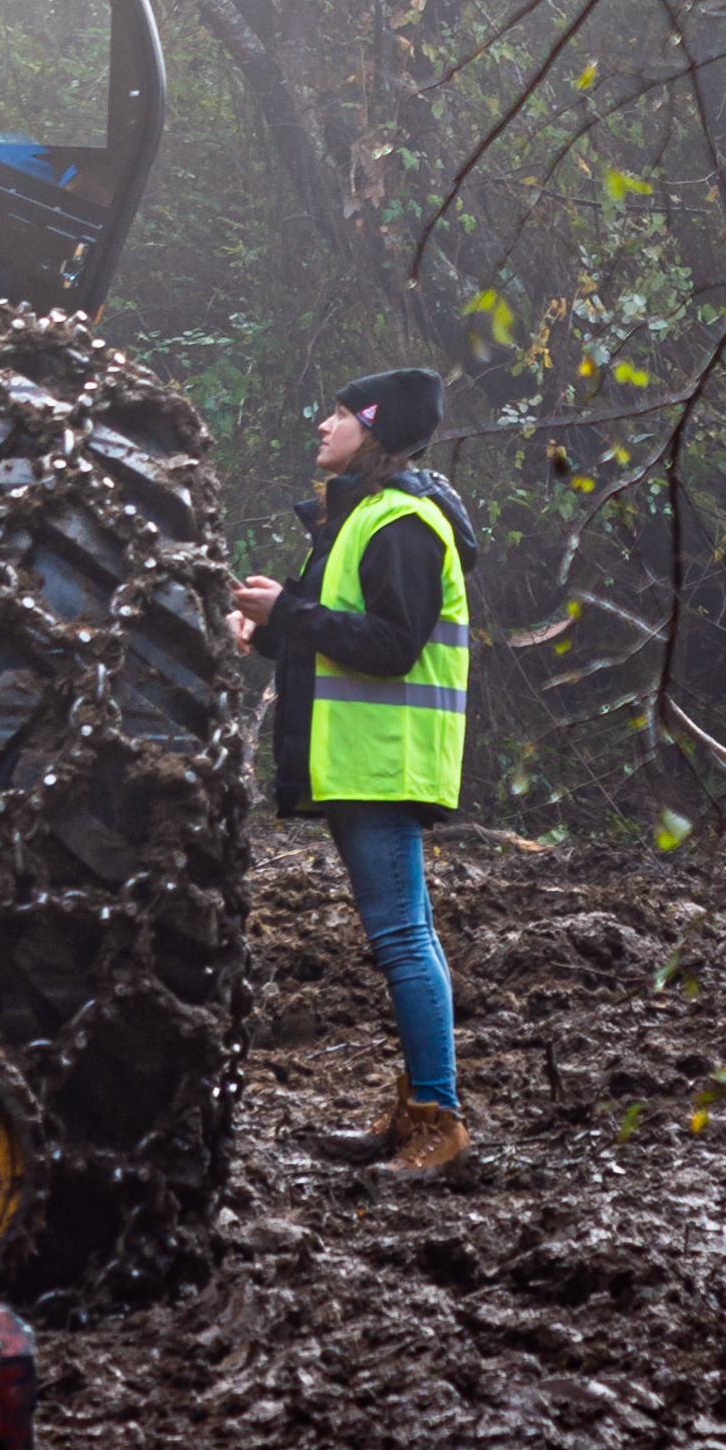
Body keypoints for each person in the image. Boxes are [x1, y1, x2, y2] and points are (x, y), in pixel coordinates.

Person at [232, 366, 480, 1180]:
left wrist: (289, 614)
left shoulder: (402, 521)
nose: (322, 424)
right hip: (362, 763)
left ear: (373, 429)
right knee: (407, 932)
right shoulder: (360, 516)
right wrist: (271, 626)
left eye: (338, 413)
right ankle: (418, 1111)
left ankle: (437, 1120)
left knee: (405, 937)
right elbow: (329, 630)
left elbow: (389, 643)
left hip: (382, 762)